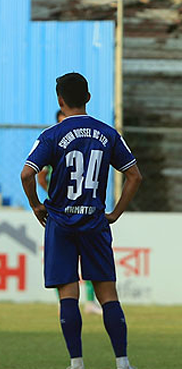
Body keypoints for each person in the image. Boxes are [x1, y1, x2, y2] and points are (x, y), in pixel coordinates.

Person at [21, 72, 144, 369]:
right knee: (107, 294)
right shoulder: (108, 133)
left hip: (61, 222)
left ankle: (77, 367)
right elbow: (135, 176)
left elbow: (26, 174)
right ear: (88, 97)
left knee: (68, 294)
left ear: (60, 100)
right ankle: (124, 365)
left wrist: (36, 205)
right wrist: (115, 212)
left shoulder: (52, 134)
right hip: (94, 221)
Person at [39, 110, 103, 316]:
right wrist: (51, 196)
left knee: (88, 260)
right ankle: (64, 302)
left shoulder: (80, 141)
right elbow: (39, 174)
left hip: (83, 209)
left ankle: (90, 302)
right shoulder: (55, 140)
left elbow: (28, 173)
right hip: (63, 213)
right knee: (65, 264)